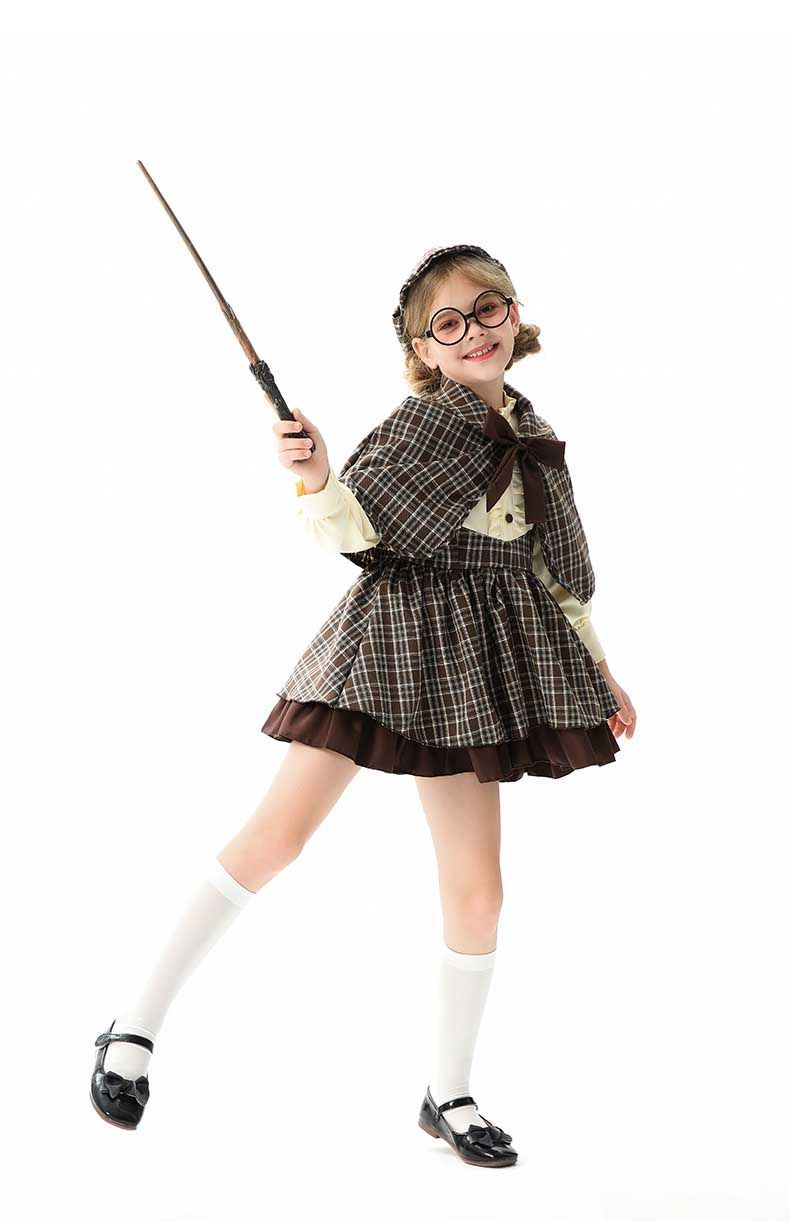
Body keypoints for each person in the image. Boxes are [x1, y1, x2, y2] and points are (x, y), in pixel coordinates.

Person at [90, 244, 636, 1169]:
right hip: (389, 645)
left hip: (476, 671)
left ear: (514, 313)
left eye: (488, 308)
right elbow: (359, 528)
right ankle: (132, 1026)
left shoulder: (536, 433)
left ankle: (447, 1093)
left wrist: (602, 670)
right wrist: (314, 472)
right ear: (423, 349)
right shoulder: (423, 425)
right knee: (278, 838)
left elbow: (557, 572)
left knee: (480, 890)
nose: (474, 331)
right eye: (448, 323)